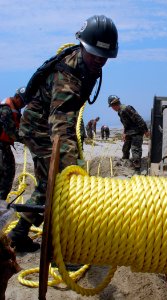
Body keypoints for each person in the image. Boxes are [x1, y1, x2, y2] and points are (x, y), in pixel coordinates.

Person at [8, 15, 118, 252]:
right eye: (95, 55)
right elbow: (60, 123)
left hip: (46, 126)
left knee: (47, 186)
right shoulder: (68, 74)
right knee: (63, 186)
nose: (99, 61)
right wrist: (72, 171)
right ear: (83, 46)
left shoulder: (86, 65)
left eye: (104, 57)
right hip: (39, 129)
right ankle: (64, 249)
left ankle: (18, 234)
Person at [108, 95, 148, 174]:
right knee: (125, 148)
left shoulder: (126, 108)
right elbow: (126, 124)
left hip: (137, 132)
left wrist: (146, 130)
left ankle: (137, 170)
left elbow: (139, 119)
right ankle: (125, 163)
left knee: (135, 150)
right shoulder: (120, 111)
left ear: (113, 105)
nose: (112, 109)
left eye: (111, 106)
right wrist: (124, 133)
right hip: (129, 132)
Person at [0, 88, 26, 201]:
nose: (23, 105)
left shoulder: (14, 109)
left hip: (4, 146)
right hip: (1, 146)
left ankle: (2, 201)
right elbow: (10, 130)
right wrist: (26, 140)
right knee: (5, 175)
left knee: (9, 173)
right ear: (16, 98)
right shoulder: (6, 109)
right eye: (22, 101)